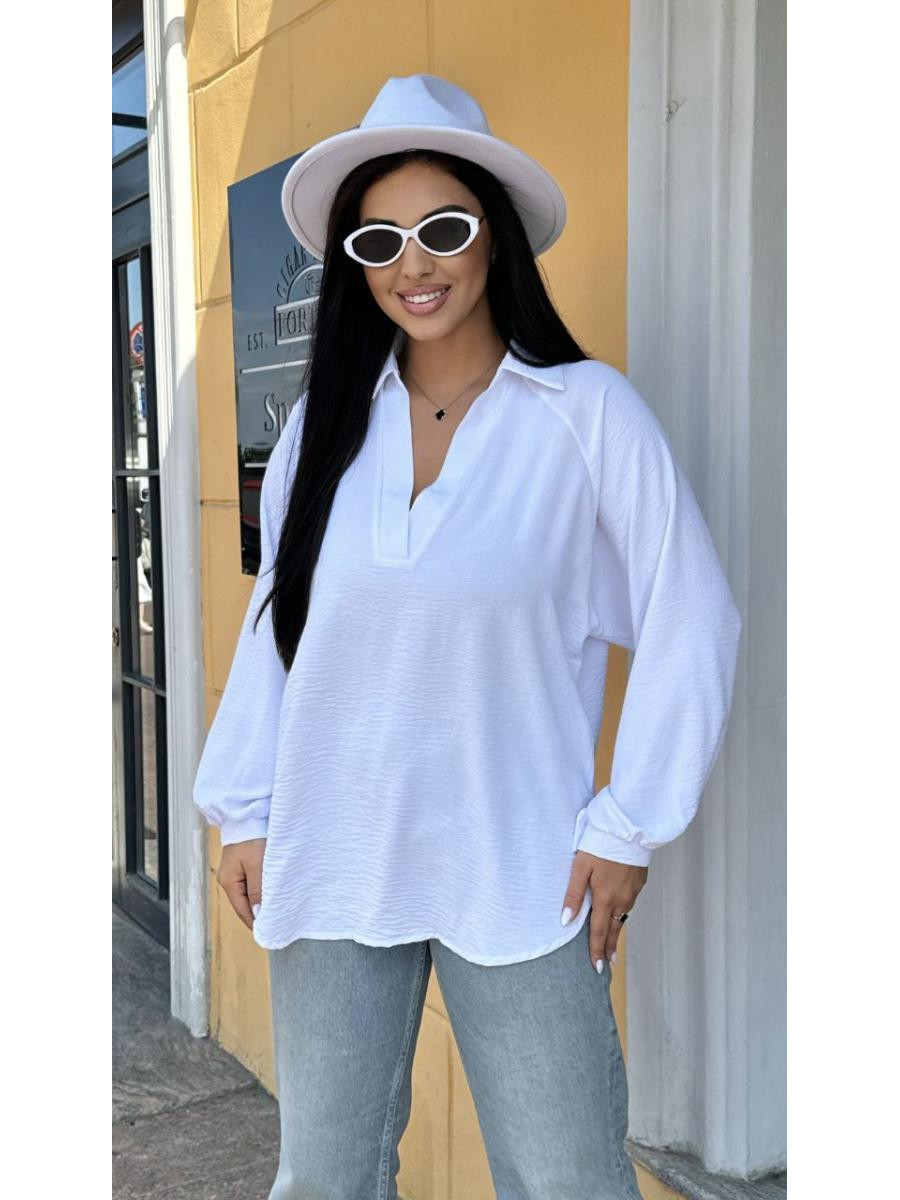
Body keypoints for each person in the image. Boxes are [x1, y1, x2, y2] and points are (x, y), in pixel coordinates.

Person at [193, 74, 742, 1200]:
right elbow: (279, 622)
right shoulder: (323, 427)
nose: (414, 263)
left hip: (520, 863)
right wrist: (244, 805)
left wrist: (629, 826)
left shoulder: (586, 416)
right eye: (380, 240)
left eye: (443, 229)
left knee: (566, 1179)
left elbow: (693, 610)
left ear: (495, 235)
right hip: (335, 848)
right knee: (324, 1181)